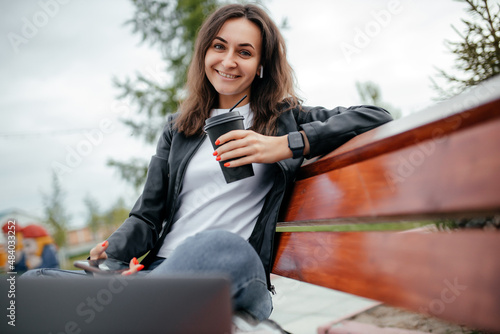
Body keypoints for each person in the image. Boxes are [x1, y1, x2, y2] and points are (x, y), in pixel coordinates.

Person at [22, 3, 392, 331]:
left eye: (244, 52)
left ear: (261, 63)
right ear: (205, 52)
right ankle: (138, 301)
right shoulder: (178, 129)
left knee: (216, 243)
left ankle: (127, 304)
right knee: (30, 285)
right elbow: (147, 217)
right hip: (162, 271)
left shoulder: (284, 119)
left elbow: (375, 115)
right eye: (219, 46)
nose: (228, 61)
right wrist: (112, 254)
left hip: (232, 266)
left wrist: (282, 144)